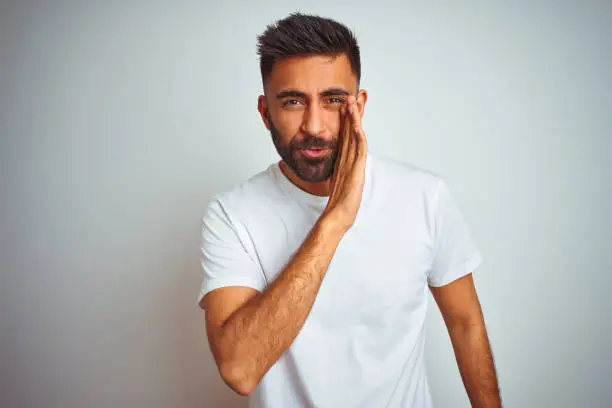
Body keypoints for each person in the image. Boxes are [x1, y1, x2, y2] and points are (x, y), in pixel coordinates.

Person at [198, 12, 501, 408]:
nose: (315, 126)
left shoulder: (425, 196)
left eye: (333, 101)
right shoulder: (231, 215)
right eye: (292, 101)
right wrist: (335, 219)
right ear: (265, 111)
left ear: (359, 104)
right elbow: (239, 369)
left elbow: (466, 326)